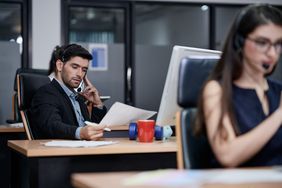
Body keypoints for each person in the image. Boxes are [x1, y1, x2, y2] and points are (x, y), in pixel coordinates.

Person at [195, 4, 282, 167]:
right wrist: (279, 115)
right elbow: (228, 155)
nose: (272, 53)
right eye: (262, 42)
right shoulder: (216, 90)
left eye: (278, 44)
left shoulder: (278, 91)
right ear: (240, 41)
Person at [30, 44, 107, 140]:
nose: (80, 74)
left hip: (84, 150)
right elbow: (52, 125)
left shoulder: (78, 97)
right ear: (60, 65)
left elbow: (92, 129)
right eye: (74, 67)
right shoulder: (46, 93)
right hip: (62, 152)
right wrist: (81, 133)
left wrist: (97, 104)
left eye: (84, 70)